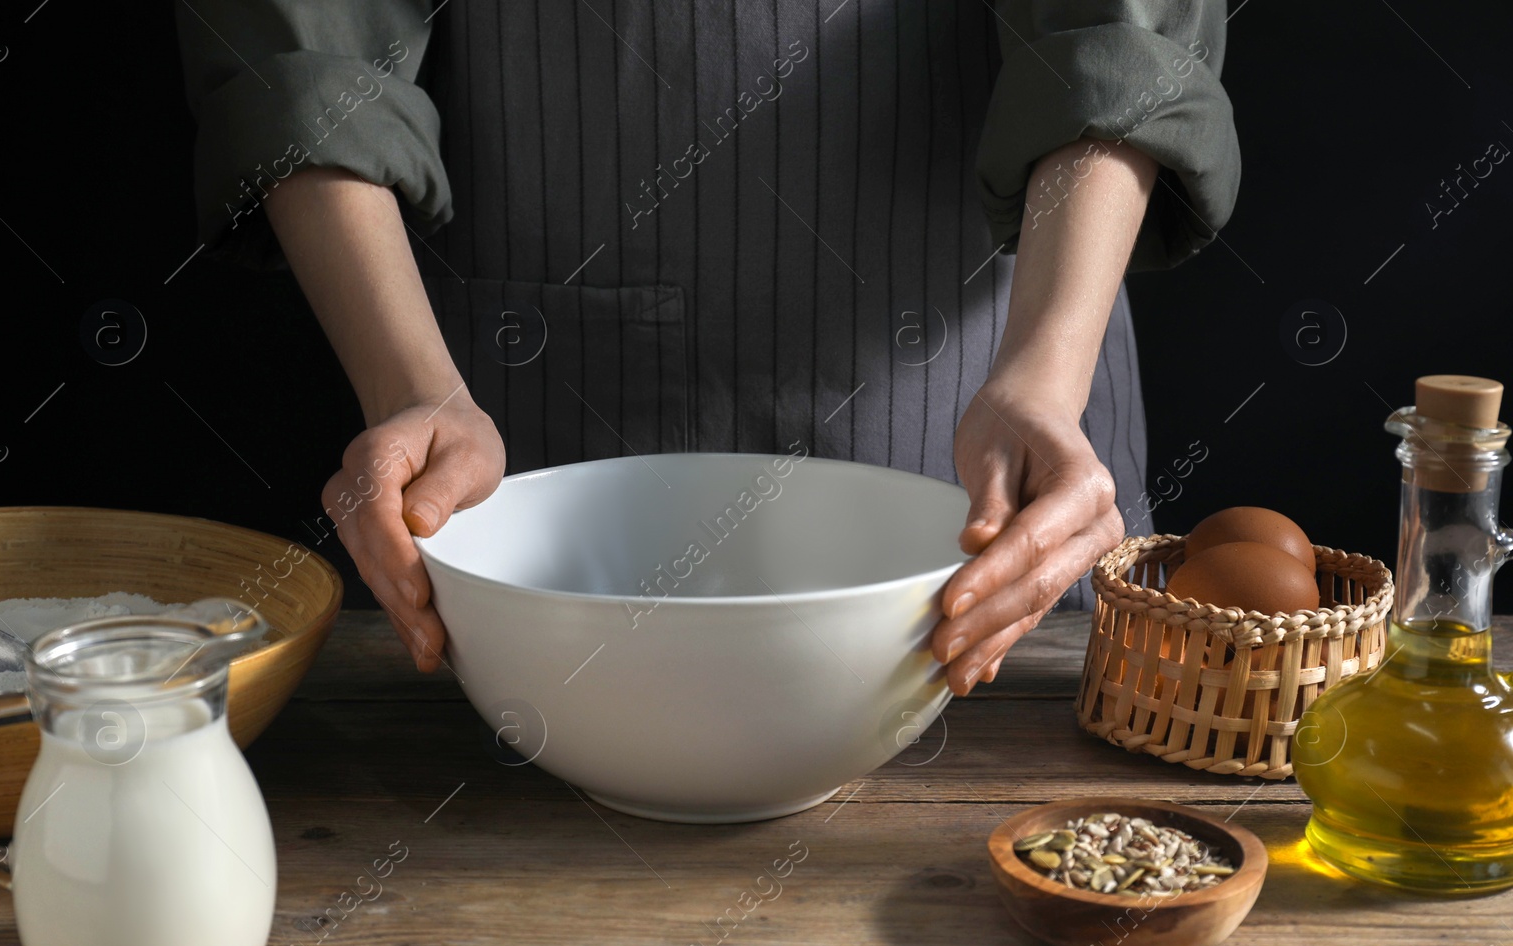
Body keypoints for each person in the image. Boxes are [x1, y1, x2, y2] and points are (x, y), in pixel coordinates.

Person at [177, 0, 1238, 694]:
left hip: (985, 420)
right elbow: (305, 53)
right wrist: (411, 389)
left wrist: (1046, 375)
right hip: (519, 457)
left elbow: (1120, 37)